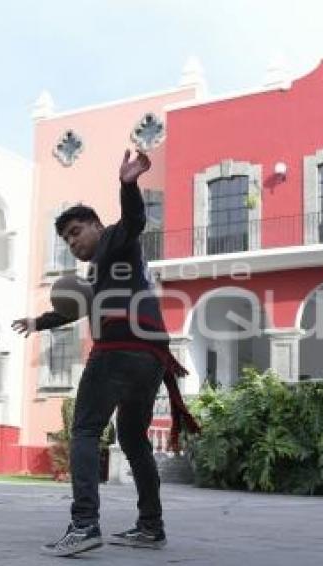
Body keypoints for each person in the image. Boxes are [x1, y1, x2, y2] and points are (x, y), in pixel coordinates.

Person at [12, 150, 198, 557]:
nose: (73, 241)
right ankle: (151, 526)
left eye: (77, 231)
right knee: (133, 440)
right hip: (150, 356)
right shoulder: (108, 265)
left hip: (118, 351)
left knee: (83, 431)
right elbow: (78, 308)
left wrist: (128, 185)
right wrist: (39, 322)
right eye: (66, 238)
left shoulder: (115, 239)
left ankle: (84, 524)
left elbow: (133, 220)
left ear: (97, 226)